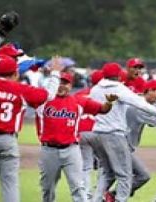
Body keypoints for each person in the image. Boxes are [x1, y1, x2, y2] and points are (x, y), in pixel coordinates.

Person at [0, 56, 62, 202]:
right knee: (9, 184)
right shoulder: (21, 89)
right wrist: (55, 74)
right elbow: (49, 95)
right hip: (6, 139)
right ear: (15, 73)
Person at [89, 62, 156, 202]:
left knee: (107, 174)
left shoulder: (95, 90)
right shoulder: (122, 91)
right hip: (115, 137)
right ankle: (114, 198)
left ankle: (99, 199)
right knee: (126, 176)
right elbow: (154, 117)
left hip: (98, 134)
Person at [35, 72, 116, 202]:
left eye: (65, 83)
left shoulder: (79, 101)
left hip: (71, 150)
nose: (61, 86)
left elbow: (103, 109)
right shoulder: (42, 101)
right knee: (47, 188)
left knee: (78, 187)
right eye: (59, 82)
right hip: (49, 150)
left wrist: (109, 102)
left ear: (71, 85)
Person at [102, 80, 156, 201]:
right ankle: (110, 196)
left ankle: (102, 197)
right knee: (140, 176)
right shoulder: (139, 107)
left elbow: (151, 122)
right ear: (148, 90)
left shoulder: (136, 102)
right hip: (120, 146)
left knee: (110, 176)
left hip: (117, 144)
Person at [73, 70, 103, 199]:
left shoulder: (79, 94)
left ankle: (86, 194)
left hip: (81, 132)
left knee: (86, 166)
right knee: (104, 165)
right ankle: (100, 194)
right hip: (98, 131)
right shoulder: (105, 94)